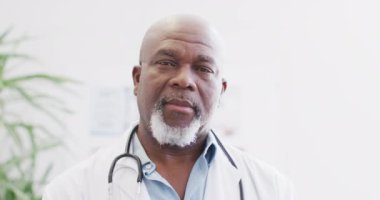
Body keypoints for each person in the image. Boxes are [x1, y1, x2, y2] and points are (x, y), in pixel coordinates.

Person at [43, 15, 294, 200]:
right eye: (167, 62)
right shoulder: (71, 191)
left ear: (221, 92)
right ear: (137, 79)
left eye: (203, 68)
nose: (184, 80)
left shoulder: (270, 189)